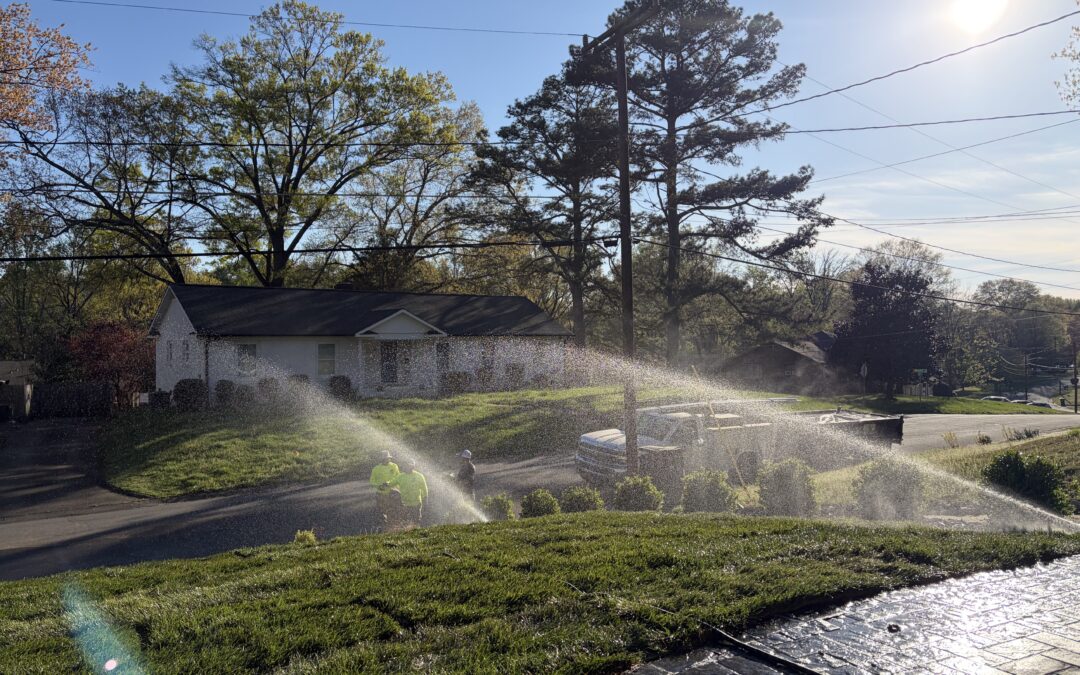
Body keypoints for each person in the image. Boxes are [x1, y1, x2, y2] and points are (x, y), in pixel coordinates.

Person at [391, 459, 428, 527]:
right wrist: (386, 484)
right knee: (406, 520)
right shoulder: (400, 476)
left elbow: (424, 489)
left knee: (416, 519)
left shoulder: (419, 476)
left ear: (412, 467)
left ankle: (417, 531)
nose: (406, 467)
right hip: (405, 503)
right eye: (405, 466)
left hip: (416, 503)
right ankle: (408, 532)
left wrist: (425, 499)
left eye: (408, 466)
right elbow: (392, 482)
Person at [369, 450, 400, 527]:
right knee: (382, 512)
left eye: (388, 458)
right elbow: (372, 481)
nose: (387, 460)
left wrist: (390, 483)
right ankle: (385, 528)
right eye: (385, 458)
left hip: (393, 493)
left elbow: (398, 478)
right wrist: (379, 486)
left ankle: (394, 526)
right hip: (381, 494)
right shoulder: (376, 469)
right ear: (381, 459)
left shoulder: (394, 466)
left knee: (394, 510)